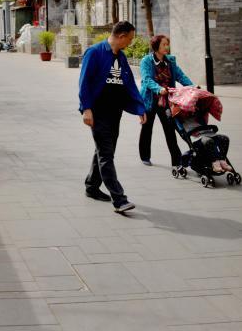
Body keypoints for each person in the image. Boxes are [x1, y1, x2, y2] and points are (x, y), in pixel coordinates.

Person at [78, 21, 147, 214]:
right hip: (98, 112)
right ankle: (119, 199)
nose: (130, 43)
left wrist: (140, 108)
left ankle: (92, 186)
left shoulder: (121, 57)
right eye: (130, 39)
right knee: (106, 155)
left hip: (115, 112)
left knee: (104, 151)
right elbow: (84, 82)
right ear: (121, 36)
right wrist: (86, 108)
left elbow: (129, 84)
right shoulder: (95, 52)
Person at [138, 35, 193, 167]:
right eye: (164, 44)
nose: (167, 47)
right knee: (147, 128)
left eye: (167, 44)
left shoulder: (170, 61)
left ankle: (177, 161)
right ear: (156, 46)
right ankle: (145, 156)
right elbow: (146, 79)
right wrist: (158, 89)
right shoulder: (146, 61)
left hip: (166, 100)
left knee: (170, 129)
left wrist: (191, 87)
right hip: (150, 99)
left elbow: (180, 75)